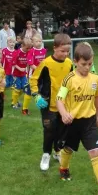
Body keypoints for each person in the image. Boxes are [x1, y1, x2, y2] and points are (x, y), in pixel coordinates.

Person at [55, 43, 98, 195]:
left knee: (95, 152)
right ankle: (63, 168)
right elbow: (59, 99)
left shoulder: (96, 79)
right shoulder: (69, 79)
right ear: (75, 62)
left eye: (90, 64)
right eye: (83, 64)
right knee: (68, 149)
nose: (87, 67)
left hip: (89, 122)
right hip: (72, 123)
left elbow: (97, 98)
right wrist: (63, 113)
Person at [29, 33, 73, 171]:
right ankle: (46, 154)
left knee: (62, 131)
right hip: (47, 104)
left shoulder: (69, 64)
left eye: (67, 51)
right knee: (49, 130)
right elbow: (33, 79)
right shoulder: (46, 63)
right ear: (54, 48)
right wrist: (36, 95)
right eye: (62, 51)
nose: (65, 54)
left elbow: (72, 82)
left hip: (64, 105)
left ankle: (57, 151)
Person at [23, 34, 47, 115]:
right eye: (36, 41)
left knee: (41, 91)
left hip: (41, 75)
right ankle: (24, 109)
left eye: (40, 41)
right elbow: (31, 64)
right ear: (33, 42)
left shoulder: (44, 50)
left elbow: (44, 62)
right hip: (32, 76)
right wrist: (39, 70)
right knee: (29, 92)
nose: (39, 43)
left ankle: (43, 106)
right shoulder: (31, 51)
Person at [11, 38, 32, 110]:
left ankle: (15, 100)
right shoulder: (16, 53)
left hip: (23, 74)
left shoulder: (29, 52)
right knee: (17, 89)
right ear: (22, 45)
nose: (29, 50)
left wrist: (27, 72)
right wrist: (20, 68)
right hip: (16, 74)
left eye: (30, 48)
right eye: (27, 48)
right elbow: (13, 63)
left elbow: (28, 63)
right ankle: (14, 104)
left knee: (24, 88)